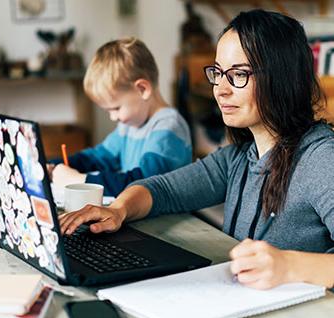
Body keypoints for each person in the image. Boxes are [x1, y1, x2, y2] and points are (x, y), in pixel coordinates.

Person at [58, 10, 334, 290]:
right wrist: (118, 210)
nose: (220, 90)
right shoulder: (239, 157)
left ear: (282, 77)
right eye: (218, 73)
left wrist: (288, 266)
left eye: (238, 74)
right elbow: (164, 189)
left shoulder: (321, 159)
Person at [49, 38, 192, 196]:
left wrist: (80, 180)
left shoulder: (168, 128)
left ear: (142, 89)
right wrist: (54, 166)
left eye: (116, 108)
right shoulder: (130, 125)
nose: (113, 117)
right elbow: (97, 158)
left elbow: (141, 184)